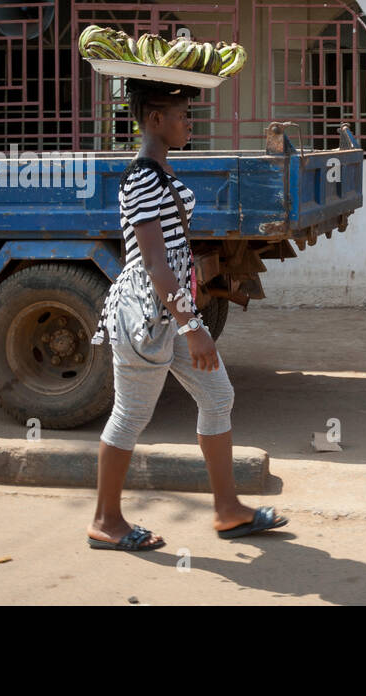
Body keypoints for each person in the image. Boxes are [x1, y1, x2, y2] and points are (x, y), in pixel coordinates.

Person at [85, 79, 287, 551]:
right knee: (131, 415)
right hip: (146, 314)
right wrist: (193, 327)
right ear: (155, 120)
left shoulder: (159, 171)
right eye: (181, 116)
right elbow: (154, 262)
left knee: (217, 396)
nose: (188, 122)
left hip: (170, 309)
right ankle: (105, 521)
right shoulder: (140, 177)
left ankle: (227, 511)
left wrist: (188, 318)